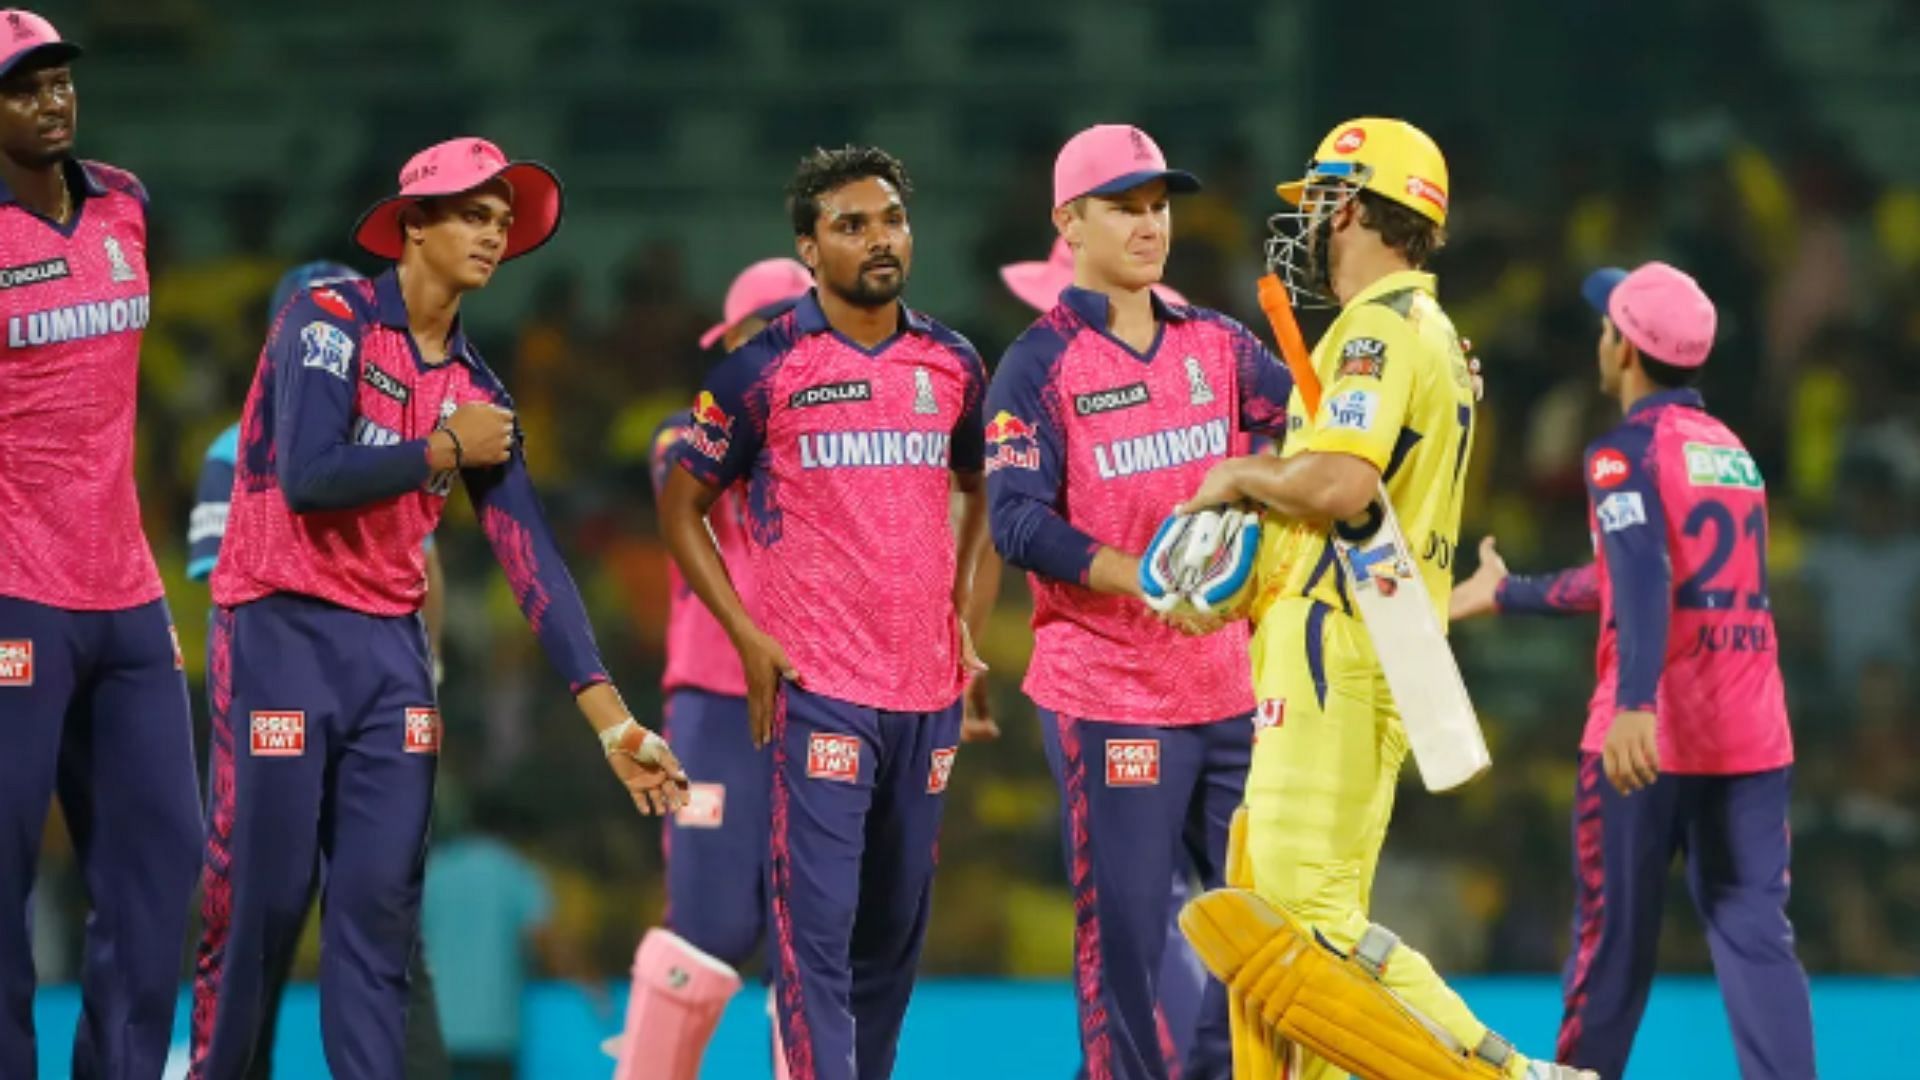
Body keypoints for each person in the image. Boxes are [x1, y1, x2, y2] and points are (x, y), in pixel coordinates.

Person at [190, 136, 688, 1080]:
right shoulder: (323, 316)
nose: (493, 235)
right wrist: (440, 449)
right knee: (262, 905)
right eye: (472, 213)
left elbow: (530, 556)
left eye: (503, 221)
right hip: (279, 627)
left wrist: (613, 722)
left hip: (388, 658)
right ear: (412, 223)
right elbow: (307, 474)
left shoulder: (477, 393)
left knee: (379, 922)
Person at [1176, 117, 1589, 1079]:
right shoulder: (1429, 333)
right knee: (1308, 932)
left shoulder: (1377, 330)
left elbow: (1339, 489)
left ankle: (1496, 1073)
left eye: (1320, 201)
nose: (1309, 224)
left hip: (1331, 647)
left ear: (1355, 206)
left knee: (1288, 920)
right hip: (1363, 643)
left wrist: (1238, 475)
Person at [659, 144, 987, 1080]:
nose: (879, 240)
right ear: (809, 247)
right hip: (821, 688)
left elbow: (976, 486)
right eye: (852, 226)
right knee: (817, 938)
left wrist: (960, 607)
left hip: (925, 692)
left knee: (892, 934)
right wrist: (749, 638)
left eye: (891, 220)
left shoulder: (951, 360)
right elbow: (680, 506)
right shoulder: (762, 369)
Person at [1451, 262, 1816, 1079]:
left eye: (1607, 324)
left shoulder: (1622, 454)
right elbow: (1634, 579)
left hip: (1648, 742)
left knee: (1612, 945)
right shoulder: (1732, 452)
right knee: (1758, 937)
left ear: (1622, 348)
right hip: (1754, 735)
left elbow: (1644, 570)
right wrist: (1508, 593)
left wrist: (1637, 704)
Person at [985, 123, 1294, 1080]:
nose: (1151, 223)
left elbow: (1316, 439)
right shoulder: (1036, 365)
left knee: (1263, 931)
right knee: (1126, 943)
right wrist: (1146, 574)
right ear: (1068, 222)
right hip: (1109, 690)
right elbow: (1015, 522)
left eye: (1159, 203)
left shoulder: (1221, 341)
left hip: (1230, 684)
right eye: (1125, 205)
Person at [189, 260, 453, 1080]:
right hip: (280, 682)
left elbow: (423, 564)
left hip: (376, 682)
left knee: (379, 918)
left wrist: (424, 674)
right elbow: (224, 585)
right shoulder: (237, 448)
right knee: (266, 907)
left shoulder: (395, 429)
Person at [0, 12, 202, 1077]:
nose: (52, 99)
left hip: (125, 591)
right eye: (24, 86)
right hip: (12, 591)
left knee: (161, 862)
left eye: (59, 79)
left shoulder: (124, 203)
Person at [997, 235, 1214, 1077]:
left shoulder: (1165, 366)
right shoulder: (1059, 375)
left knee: (1154, 907)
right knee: (1185, 901)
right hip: (1160, 670)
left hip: (1159, 674)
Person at [612, 256, 814, 1080]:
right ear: (726, 347)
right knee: (709, 928)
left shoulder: (849, 442)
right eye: (756, 339)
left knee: (814, 940)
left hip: (824, 704)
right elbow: (689, 481)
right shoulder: (680, 433)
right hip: (718, 709)